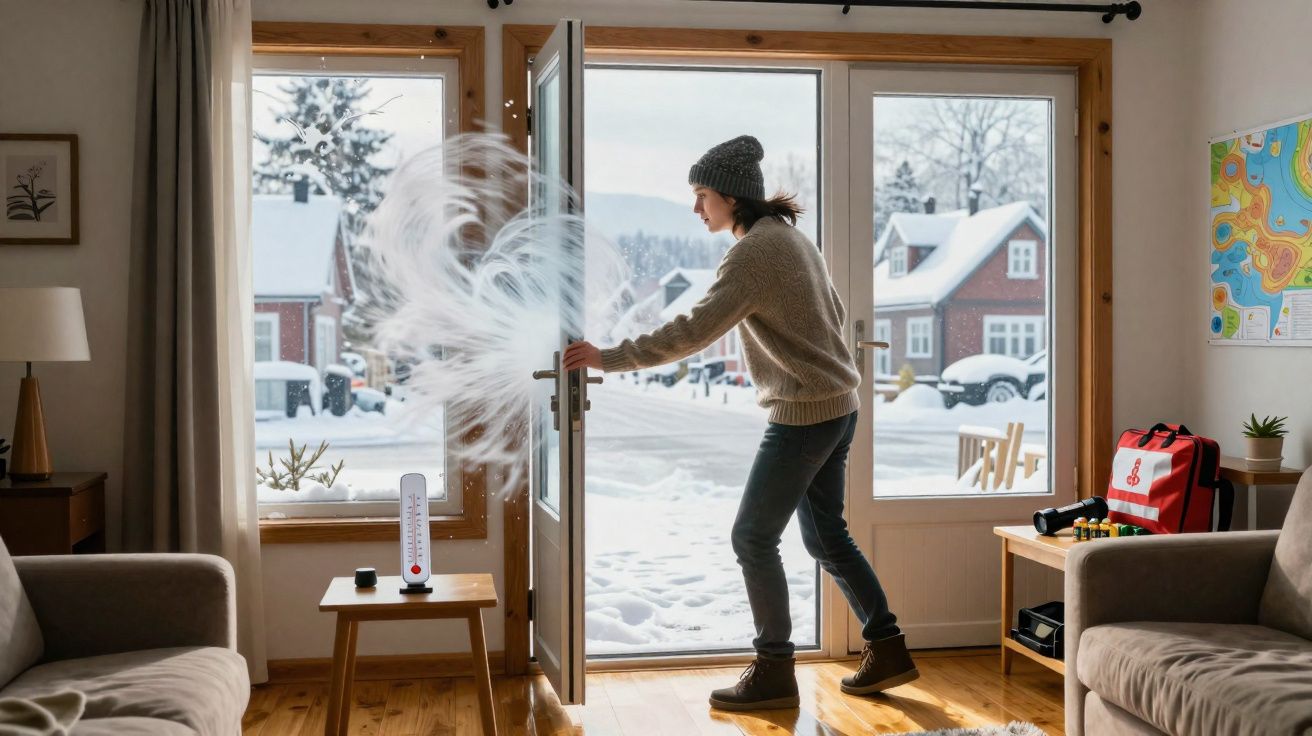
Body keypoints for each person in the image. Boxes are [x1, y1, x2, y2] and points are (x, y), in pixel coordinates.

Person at [563, 135, 918, 711]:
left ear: (730, 197)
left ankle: (775, 669)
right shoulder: (790, 239)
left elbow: (694, 329)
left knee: (752, 537)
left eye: (701, 195)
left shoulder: (754, 253)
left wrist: (610, 357)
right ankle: (888, 648)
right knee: (826, 534)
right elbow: (829, 315)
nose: (696, 208)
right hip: (836, 406)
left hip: (806, 414)